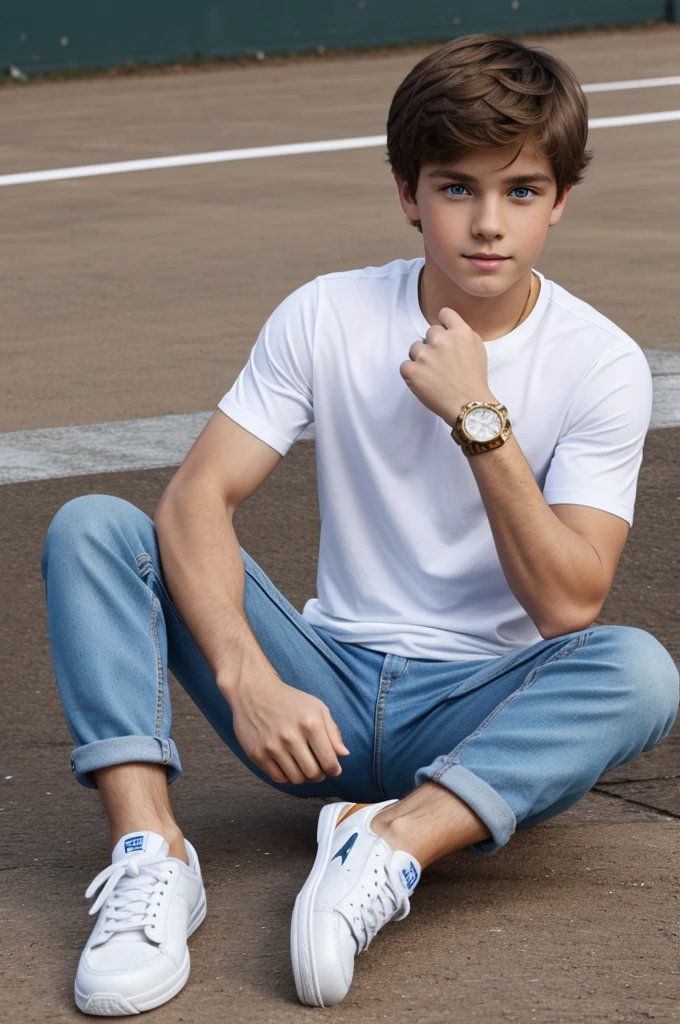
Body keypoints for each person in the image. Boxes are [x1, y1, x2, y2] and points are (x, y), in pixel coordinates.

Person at [41, 33, 679, 1016]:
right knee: (94, 527)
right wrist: (249, 680)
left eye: (517, 192)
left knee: (637, 669)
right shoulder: (327, 315)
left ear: (559, 201)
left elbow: (566, 600)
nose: (484, 223)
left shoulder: (597, 363)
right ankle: (151, 853)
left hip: (481, 709)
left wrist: (478, 420)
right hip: (321, 692)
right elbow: (195, 499)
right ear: (406, 193)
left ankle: (387, 842)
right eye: (453, 186)